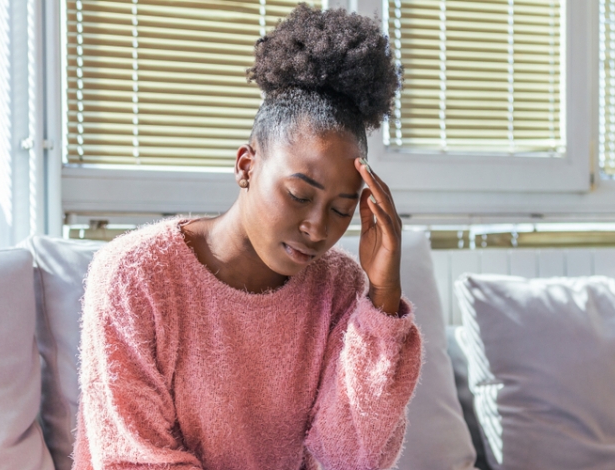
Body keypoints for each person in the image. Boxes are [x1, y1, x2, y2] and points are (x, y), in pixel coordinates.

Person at [72, 4, 422, 469]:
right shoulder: (135, 275)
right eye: (299, 195)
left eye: (341, 209)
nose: (318, 228)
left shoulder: (339, 287)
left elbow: (349, 458)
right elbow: (134, 458)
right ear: (246, 166)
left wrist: (381, 298)